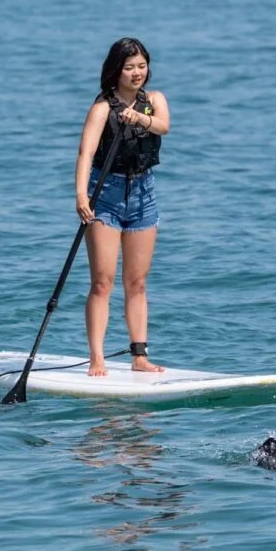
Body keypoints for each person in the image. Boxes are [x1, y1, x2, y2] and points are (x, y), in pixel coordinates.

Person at [75, 38, 170, 376]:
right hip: (106, 194)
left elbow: (163, 126)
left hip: (143, 194)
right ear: (116, 70)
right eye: (129, 67)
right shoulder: (103, 108)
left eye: (141, 66)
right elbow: (86, 153)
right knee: (102, 281)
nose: (136, 73)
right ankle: (97, 357)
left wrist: (139, 118)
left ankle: (139, 356)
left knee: (138, 282)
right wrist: (81, 197)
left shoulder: (154, 101)